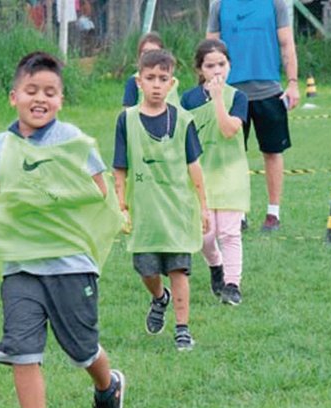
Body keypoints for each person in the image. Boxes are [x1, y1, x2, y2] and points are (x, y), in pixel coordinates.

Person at [0, 51, 127, 408]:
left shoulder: (73, 142)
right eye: (31, 91)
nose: (40, 99)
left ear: (60, 100)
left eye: (50, 92)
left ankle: (107, 385)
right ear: (14, 96)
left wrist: (54, 202)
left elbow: (101, 192)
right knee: (22, 351)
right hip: (20, 266)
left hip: (69, 265)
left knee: (81, 350)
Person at [113, 49, 210, 350]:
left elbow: (194, 165)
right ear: (138, 81)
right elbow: (120, 166)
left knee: (179, 269)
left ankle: (183, 328)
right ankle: (159, 297)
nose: (156, 84)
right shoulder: (126, 120)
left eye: (163, 79)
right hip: (145, 214)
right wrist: (120, 202)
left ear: (172, 83)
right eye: (150, 78)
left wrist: (203, 206)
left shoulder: (183, 120)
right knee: (148, 270)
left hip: (178, 211)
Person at [207, 0, 299, 232]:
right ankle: (238, 214)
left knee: (272, 152)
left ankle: (273, 213)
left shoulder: (275, 4)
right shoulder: (219, 6)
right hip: (231, 93)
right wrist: (210, 87)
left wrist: (293, 83)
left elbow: (287, 44)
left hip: (269, 91)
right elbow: (209, 50)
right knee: (232, 155)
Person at [181, 38, 250, 306]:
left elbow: (229, 129)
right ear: (200, 70)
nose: (217, 70)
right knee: (205, 235)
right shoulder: (188, 99)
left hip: (231, 173)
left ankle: (233, 284)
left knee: (230, 233)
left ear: (229, 65)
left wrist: (219, 98)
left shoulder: (238, 97)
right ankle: (216, 265)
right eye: (210, 65)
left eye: (222, 64)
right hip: (201, 175)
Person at [121, 31, 180, 108]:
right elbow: (127, 110)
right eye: (145, 52)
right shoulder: (134, 81)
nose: (150, 56)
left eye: (154, 52)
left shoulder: (172, 81)